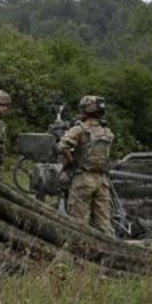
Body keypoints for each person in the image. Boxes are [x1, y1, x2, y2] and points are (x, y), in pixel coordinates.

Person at [58, 95, 115, 235]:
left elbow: (62, 146)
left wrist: (70, 161)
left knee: (78, 224)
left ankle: (77, 254)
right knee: (104, 223)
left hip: (83, 178)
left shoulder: (79, 129)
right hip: (102, 181)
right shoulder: (106, 132)